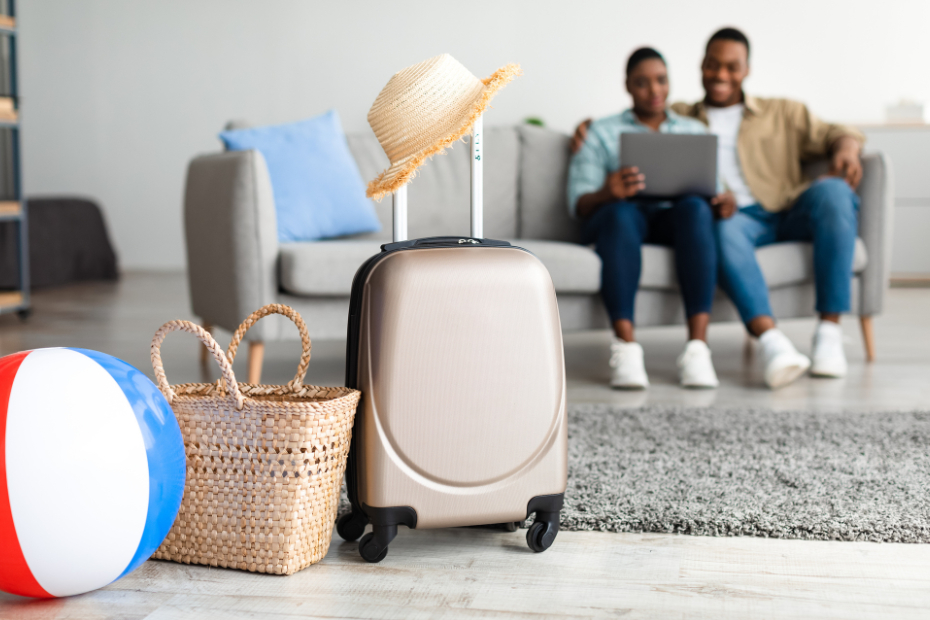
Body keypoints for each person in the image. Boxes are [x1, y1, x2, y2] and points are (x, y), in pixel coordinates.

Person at [573, 28, 865, 390]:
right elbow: (631, 121)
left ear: (747, 69)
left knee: (834, 191)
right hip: (736, 220)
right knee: (710, 224)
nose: (721, 75)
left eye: (732, 67)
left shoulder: (782, 112)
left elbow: (838, 131)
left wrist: (847, 148)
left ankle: (829, 336)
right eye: (713, 65)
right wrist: (586, 129)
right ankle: (772, 343)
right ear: (701, 66)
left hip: (787, 207)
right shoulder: (679, 116)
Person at [567, 47, 722, 390]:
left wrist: (722, 202)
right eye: (642, 83)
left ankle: (698, 348)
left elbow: (716, 191)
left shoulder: (694, 131)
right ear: (627, 86)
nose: (654, 91)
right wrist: (608, 192)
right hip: (622, 220)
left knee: (696, 208)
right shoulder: (601, 132)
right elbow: (578, 203)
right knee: (621, 214)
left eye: (661, 81)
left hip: (674, 221)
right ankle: (626, 347)